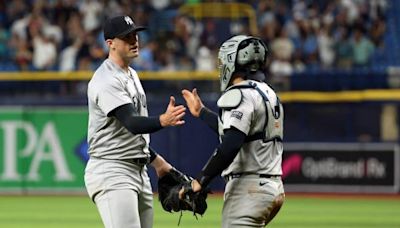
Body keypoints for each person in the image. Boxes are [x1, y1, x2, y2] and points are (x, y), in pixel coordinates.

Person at [84, 15, 186, 228]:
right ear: (110, 44)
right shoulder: (106, 80)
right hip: (112, 169)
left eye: (135, 35)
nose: (134, 40)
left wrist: (158, 163)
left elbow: (130, 136)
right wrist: (163, 120)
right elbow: (131, 122)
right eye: (126, 37)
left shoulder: (131, 74)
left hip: (137, 169)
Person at [181, 35, 285, 227]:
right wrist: (202, 112)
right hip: (273, 187)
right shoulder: (268, 92)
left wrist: (200, 180)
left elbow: (231, 144)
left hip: (249, 189)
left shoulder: (240, 93)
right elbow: (238, 131)